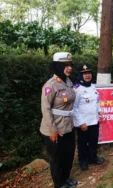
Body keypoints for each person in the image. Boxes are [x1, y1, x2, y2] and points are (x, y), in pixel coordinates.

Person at [40, 52, 77, 188]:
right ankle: (59, 183)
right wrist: (53, 130)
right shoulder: (50, 85)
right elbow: (46, 109)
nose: (69, 68)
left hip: (68, 126)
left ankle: (66, 178)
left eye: (70, 65)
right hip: (54, 128)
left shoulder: (68, 82)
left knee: (68, 154)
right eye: (65, 65)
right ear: (57, 67)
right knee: (57, 158)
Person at [73, 64, 105, 171]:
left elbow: (96, 101)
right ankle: (83, 162)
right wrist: (81, 122)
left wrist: (99, 111)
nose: (87, 75)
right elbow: (74, 107)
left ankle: (93, 158)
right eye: (85, 73)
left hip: (94, 120)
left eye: (89, 73)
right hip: (83, 123)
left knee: (93, 141)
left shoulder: (92, 86)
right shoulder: (77, 89)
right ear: (80, 75)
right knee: (82, 143)